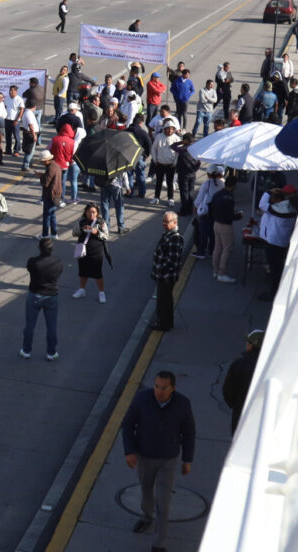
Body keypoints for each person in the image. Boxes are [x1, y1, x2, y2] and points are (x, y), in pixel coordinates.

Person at [121, 371, 196, 550]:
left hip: (168, 461)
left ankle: (158, 544)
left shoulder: (183, 404)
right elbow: (128, 424)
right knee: (146, 490)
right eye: (156, 386)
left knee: (163, 501)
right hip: (144, 457)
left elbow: (189, 433)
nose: (158, 391)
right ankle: (146, 517)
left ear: (173, 388)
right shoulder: (141, 399)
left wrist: (187, 460)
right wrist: (129, 452)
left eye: (164, 388)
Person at [20, 237, 63, 361]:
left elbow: (29, 269)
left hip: (35, 294)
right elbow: (59, 274)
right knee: (51, 326)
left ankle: (26, 350)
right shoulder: (58, 263)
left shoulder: (33, 261)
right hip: (51, 296)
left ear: (39, 248)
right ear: (52, 249)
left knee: (30, 325)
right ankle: (51, 352)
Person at [222, 330, 264, 433]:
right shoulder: (269, 365)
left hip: (241, 412)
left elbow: (227, 390)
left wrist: (236, 405)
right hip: (262, 416)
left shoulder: (238, 364)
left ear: (251, 345)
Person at [151, 212, 184, 331]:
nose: (164, 224)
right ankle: (164, 321)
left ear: (175, 222)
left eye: (167, 222)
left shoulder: (175, 238)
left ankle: (164, 323)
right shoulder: (168, 234)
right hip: (163, 275)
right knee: (163, 299)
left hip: (167, 276)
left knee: (164, 300)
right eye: (163, 221)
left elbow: (171, 261)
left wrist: (161, 270)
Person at [71, 204, 111, 303]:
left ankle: (101, 293)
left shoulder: (101, 222)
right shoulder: (81, 220)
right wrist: (81, 229)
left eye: (93, 212)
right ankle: (81, 290)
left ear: (97, 213)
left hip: (96, 251)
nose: (91, 214)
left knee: (97, 273)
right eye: (89, 212)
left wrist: (96, 232)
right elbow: (73, 233)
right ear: (86, 212)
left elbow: (106, 236)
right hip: (83, 250)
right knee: (83, 271)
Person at [210, 175, 240, 283]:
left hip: (216, 224)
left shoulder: (217, 194)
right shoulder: (229, 197)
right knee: (227, 249)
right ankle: (222, 273)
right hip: (226, 226)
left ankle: (215, 270)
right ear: (233, 186)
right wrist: (238, 216)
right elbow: (229, 215)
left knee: (217, 248)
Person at [38, 150, 62, 239]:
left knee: (46, 215)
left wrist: (41, 176)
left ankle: (45, 234)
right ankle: (54, 233)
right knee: (52, 214)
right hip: (56, 194)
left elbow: (46, 183)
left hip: (50, 195)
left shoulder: (50, 168)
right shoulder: (55, 165)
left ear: (45, 161)